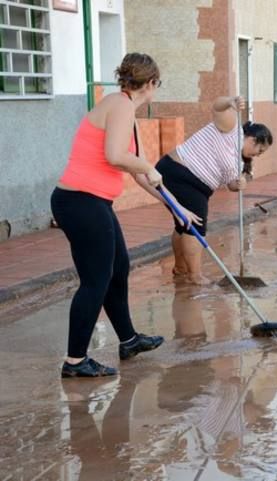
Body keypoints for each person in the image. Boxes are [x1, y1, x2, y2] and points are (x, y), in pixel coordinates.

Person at [51, 53, 197, 378]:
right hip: (80, 201)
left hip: (92, 202)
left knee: (119, 268)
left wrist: (176, 206)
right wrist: (145, 166)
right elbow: (116, 156)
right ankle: (75, 361)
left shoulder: (125, 110)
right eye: (157, 85)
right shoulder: (120, 106)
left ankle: (129, 340)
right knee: (95, 281)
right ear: (151, 83)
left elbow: (141, 173)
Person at [156, 99, 273, 285]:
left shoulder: (240, 163)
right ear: (252, 138)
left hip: (193, 184)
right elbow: (217, 107)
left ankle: (180, 269)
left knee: (184, 225)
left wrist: (240, 183)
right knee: (196, 226)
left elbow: (230, 186)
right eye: (260, 150)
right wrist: (230, 101)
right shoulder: (232, 130)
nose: (258, 155)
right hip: (180, 173)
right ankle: (195, 276)